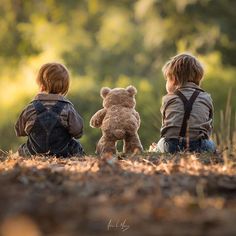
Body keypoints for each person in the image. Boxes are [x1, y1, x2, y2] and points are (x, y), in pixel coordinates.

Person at [150, 53, 216, 153]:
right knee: (212, 144)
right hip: (200, 147)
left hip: (172, 147)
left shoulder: (168, 99)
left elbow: (165, 129)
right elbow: (208, 127)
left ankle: (155, 150)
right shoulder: (206, 98)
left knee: (162, 142)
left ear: (174, 79)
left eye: (167, 79)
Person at [15, 62, 84, 157]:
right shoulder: (67, 108)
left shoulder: (30, 108)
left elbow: (19, 131)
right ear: (64, 87)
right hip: (62, 153)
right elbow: (77, 132)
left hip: (34, 153)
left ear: (41, 84)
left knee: (22, 149)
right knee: (77, 146)